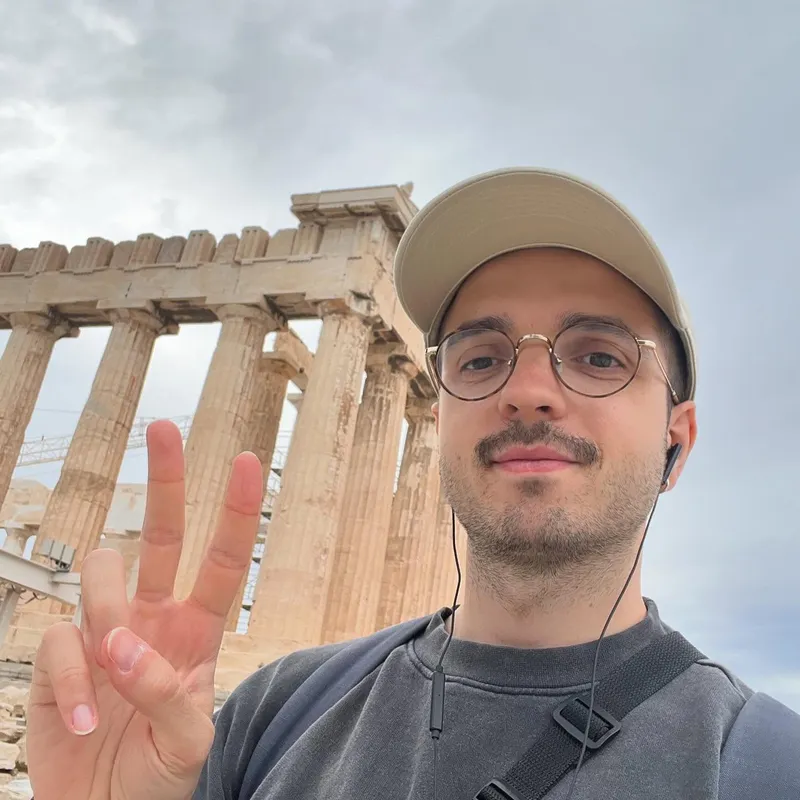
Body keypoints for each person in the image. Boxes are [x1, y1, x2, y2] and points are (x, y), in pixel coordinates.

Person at [28, 168, 800, 800]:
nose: (529, 390)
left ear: (676, 439)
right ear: (441, 419)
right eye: (481, 358)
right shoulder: (269, 716)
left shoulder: (767, 767)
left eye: (600, 356)